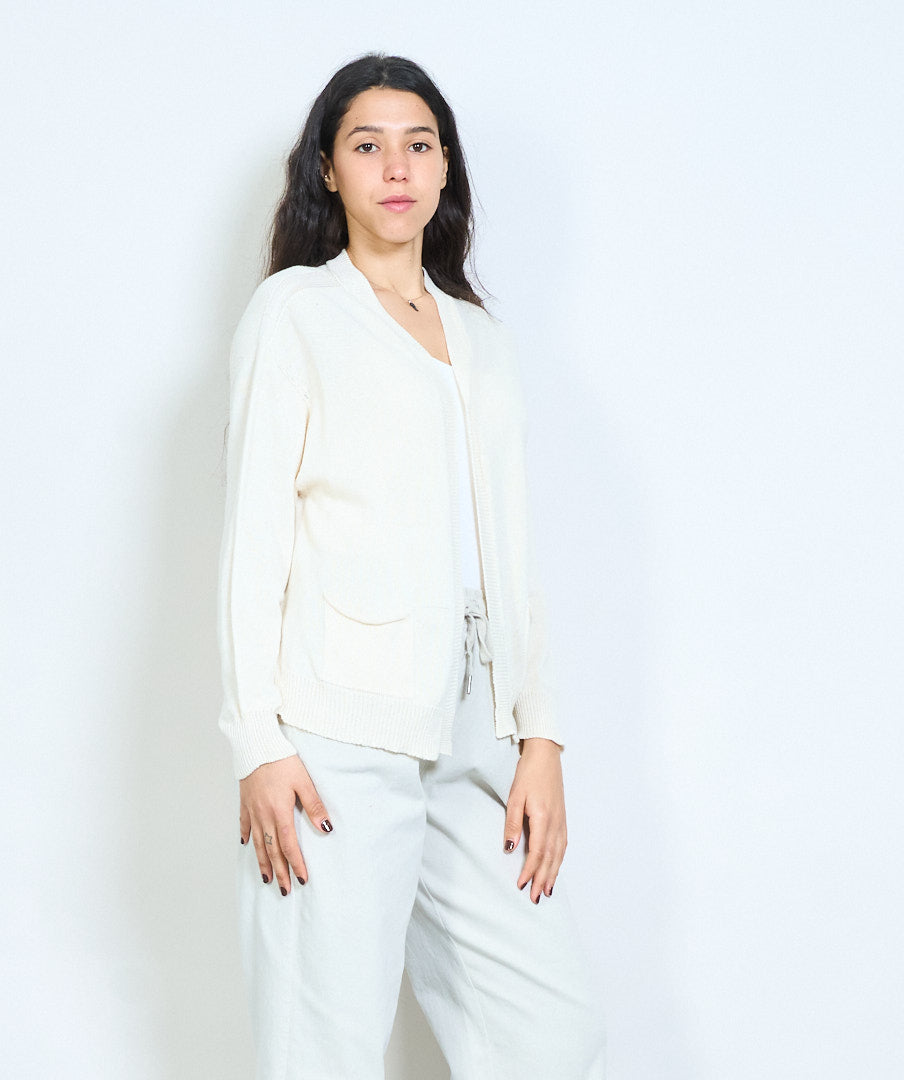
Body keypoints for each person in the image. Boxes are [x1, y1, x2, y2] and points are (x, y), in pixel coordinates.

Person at [216, 52, 607, 1079]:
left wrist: (540, 734)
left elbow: (513, 549)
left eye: (419, 144)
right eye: (367, 144)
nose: (396, 166)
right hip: (334, 739)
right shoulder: (296, 313)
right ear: (329, 170)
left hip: (475, 735)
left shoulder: (482, 340)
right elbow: (253, 538)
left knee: (549, 1033)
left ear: (444, 168)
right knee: (324, 1049)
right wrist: (258, 742)